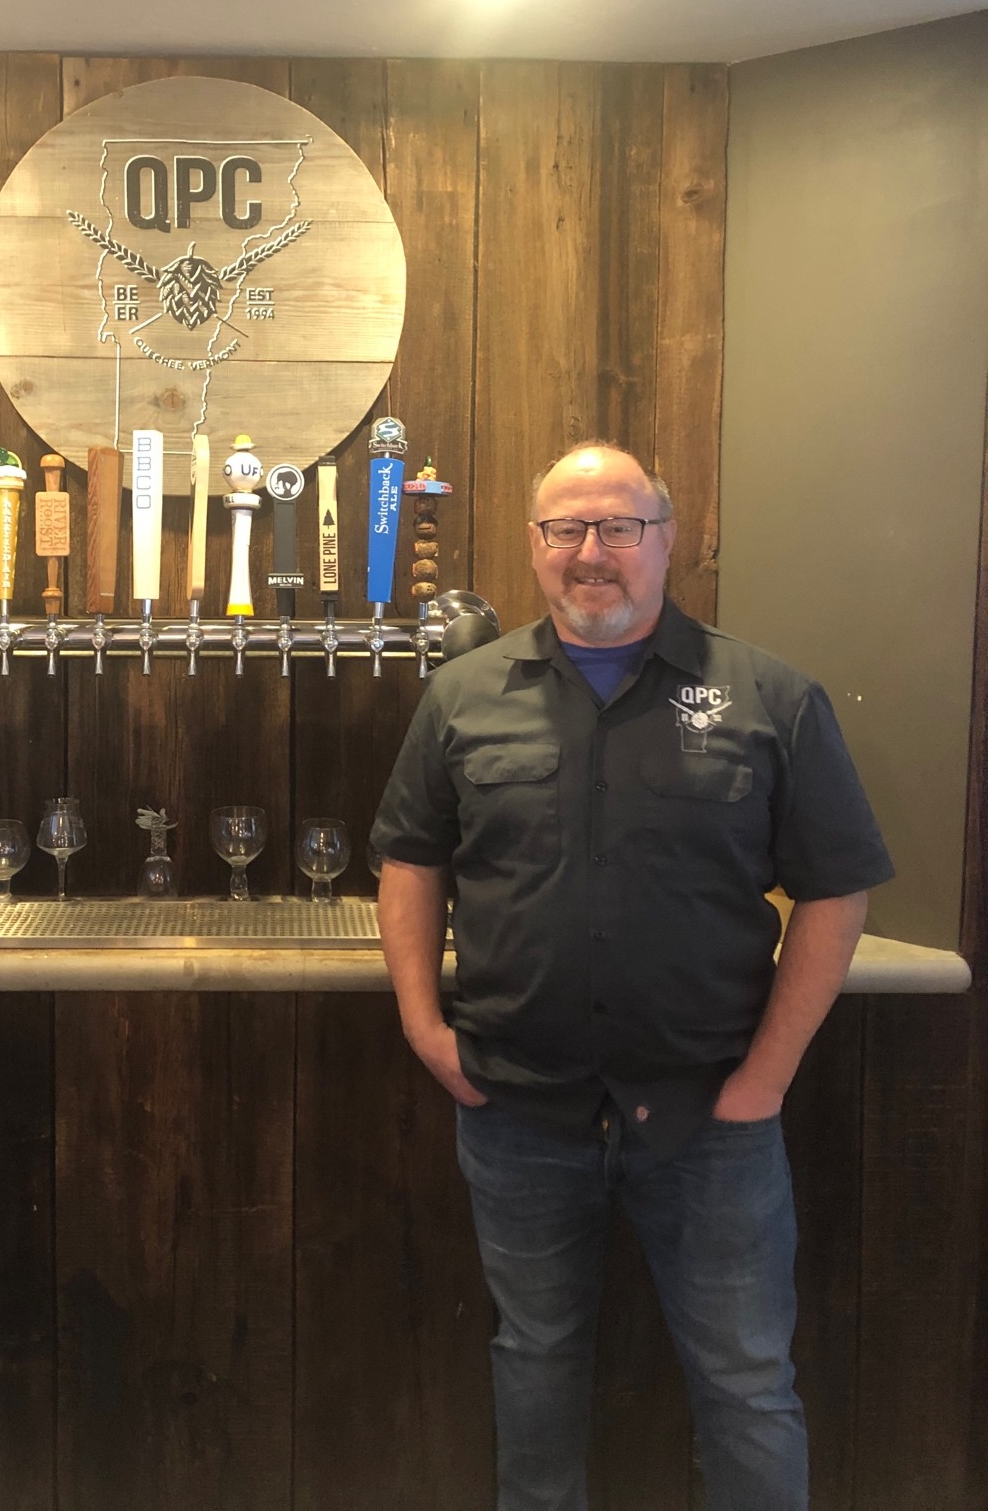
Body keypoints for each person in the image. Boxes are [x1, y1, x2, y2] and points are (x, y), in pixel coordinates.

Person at [371, 441, 893, 1511]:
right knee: (534, 1365)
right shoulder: (463, 697)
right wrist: (426, 1026)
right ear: (534, 545)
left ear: (665, 541)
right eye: (567, 528)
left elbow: (839, 891)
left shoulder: (769, 698)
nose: (592, 551)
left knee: (747, 1384)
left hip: (712, 1116)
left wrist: (767, 1080)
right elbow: (411, 859)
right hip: (519, 1111)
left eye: (619, 527)